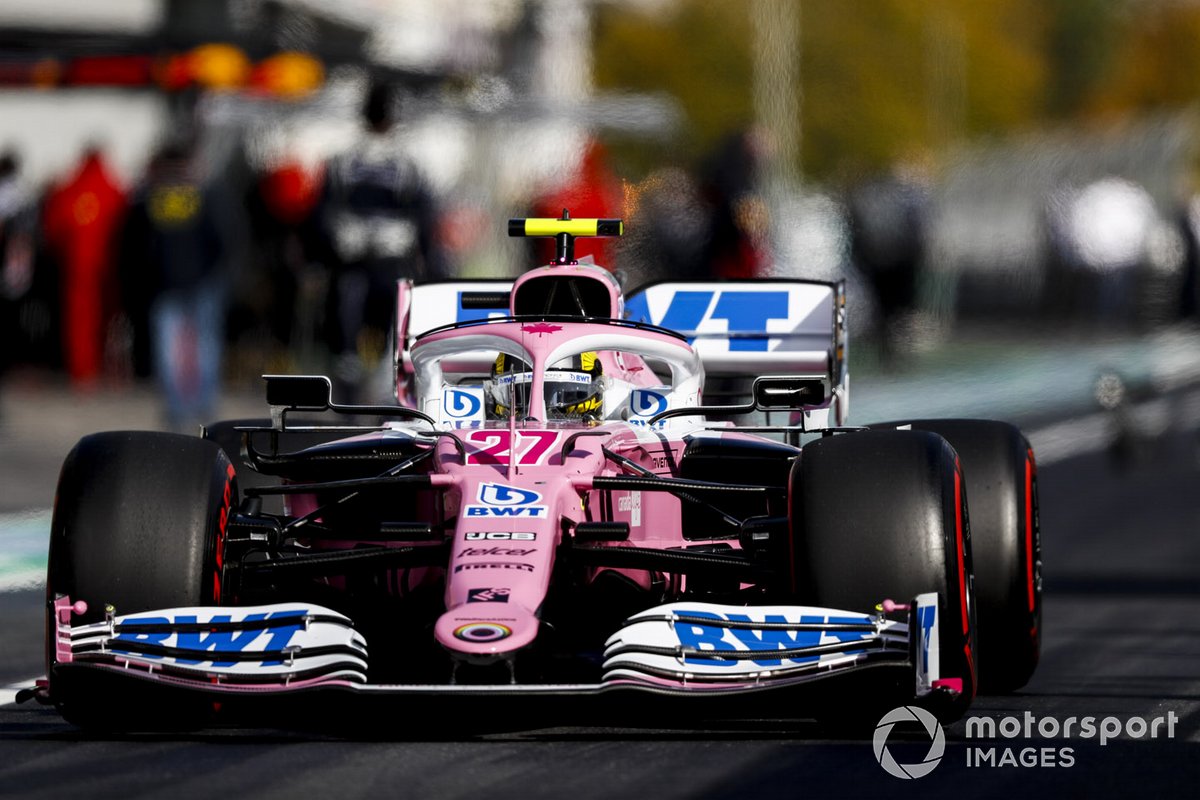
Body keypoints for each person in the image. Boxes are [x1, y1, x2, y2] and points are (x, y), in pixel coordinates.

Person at [315, 81, 442, 402]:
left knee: (349, 321)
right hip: (381, 260)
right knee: (391, 324)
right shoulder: (405, 162)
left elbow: (324, 213)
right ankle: (382, 382)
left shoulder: (345, 159)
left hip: (358, 260)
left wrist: (323, 252)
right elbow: (424, 215)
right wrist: (429, 260)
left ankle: (353, 378)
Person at [120, 142, 227, 431]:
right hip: (193, 284)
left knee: (173, 349)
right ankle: (199, 406)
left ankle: (180, 408)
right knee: (201, 347)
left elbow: (134, 247)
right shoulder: (202, 197)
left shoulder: (147, 201)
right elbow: (222, 240)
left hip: (171, 284)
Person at [42, 147, 126, 388]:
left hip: (76, 270)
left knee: (78, 321)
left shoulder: (69, 190)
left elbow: (53, 227)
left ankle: (83, 371)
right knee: (108, 321)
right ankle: (106, 369)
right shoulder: (113, 190)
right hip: (107, 270)